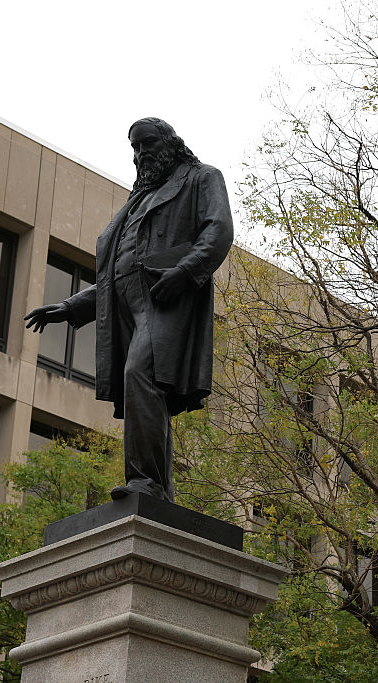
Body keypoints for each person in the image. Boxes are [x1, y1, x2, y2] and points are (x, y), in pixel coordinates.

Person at [25, 118, 233, 502]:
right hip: (126, 310)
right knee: (143, 386)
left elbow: (218, 231)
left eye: (147, 144)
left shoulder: (201, 178)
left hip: (166, 300)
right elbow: (116, 271)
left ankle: (146, 482)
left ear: (170, 141)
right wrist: (71, 307)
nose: (140, 155)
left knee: (142, 372)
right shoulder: (136, 201)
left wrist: (185, 272)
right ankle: (159, 489)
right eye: (135, 148)